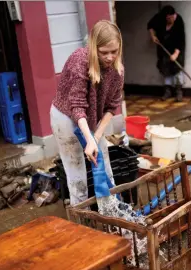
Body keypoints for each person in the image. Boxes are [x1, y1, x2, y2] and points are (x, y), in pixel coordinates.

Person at [50, 20, 124, 206]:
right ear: (93, 47)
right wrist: (89, 139)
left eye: (114, 52)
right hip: (65, 116)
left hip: (91, 120)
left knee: (104, 165)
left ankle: (112, 211)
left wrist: (96, 136)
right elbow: (77, 105)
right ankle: (81, 217)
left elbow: (111, 107)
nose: (109, 57)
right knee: (77, 175)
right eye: (104, 52)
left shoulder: (117, 71)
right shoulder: (79, 61)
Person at [147, 5, 186, 102]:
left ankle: (178, 91)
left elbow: (181, 39)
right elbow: (150, 25)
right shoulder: (159, 18)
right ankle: (167, 91)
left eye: (172, 17)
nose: (170, 19)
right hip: (164, 47)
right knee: (165, 68)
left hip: (176, 47)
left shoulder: (179, 21)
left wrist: (176, 54)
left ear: (174, 15)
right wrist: (153, 36)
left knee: (177, 68)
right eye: (168, 18)